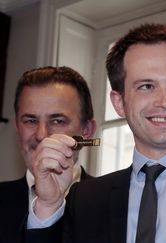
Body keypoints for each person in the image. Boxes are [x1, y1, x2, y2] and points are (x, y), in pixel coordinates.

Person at [27, 23, 166, 243]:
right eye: (147, 86)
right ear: (119, 103)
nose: (165, 102)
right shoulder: (86, 200)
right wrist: (49, 205)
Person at [0, 66, 96, 243]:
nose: (42, 135)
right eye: (30, 121)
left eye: (57, 121)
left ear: (87, 130)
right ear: (17, 127)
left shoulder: (116, 204)